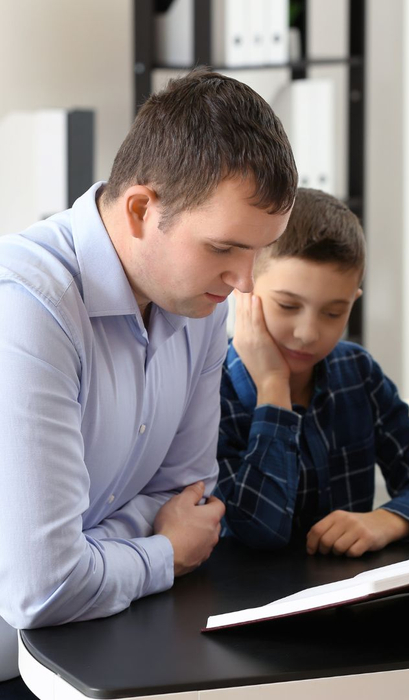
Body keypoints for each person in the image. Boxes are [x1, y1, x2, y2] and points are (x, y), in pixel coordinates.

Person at [0, 69, 296, 694]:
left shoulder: (199, 304)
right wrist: (162, 551)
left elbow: (189, 498)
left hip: (98, 647)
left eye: (258, 252)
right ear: (141, 209)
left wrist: (89, 549)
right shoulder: (26, 308)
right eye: (224, 248)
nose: (244, 282)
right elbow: (43, 587)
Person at [216, 188, 409, 556]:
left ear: (354, 302)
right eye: (288, 305)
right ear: (244, 290)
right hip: (244, 607)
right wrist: (274, 389)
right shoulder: (208, 389)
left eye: (333, 312)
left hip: (348, 600)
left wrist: (385, 521)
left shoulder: (356, 371)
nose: (307, 333)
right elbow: (259, 533)